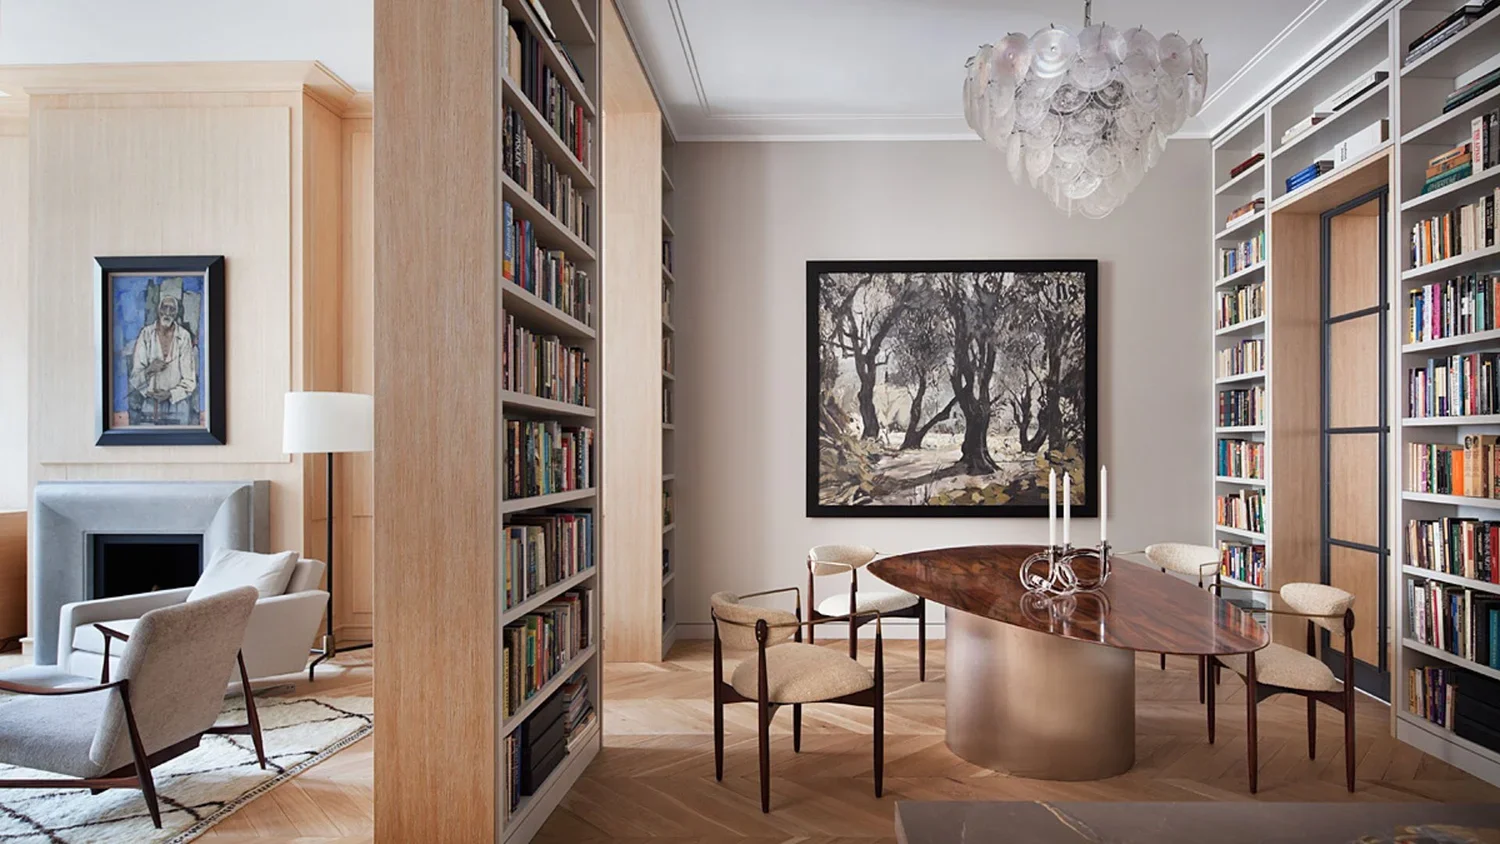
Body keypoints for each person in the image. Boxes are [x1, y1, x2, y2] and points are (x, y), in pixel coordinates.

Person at [128, 282, 197, 425]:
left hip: (178, 406)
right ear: (158, 310)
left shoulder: (183, 337)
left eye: (172, 309)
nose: (167, 313)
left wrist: (170, 394)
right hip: (149, 405)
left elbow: (189, 381)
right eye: (164, 307)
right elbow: (135, 377)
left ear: (176, 312)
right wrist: (149, 370)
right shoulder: (146, 334)